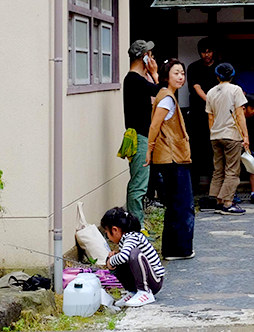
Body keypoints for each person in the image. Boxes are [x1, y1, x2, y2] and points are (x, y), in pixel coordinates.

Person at [146, 58, 196, 259]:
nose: (181, 77)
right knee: (182, 204)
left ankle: (173, 249)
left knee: (176, 204)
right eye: (176, 73)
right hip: (173, 157)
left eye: (182, 73)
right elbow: (154, 126)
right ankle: (179, 249)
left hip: (171, 157)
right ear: (167, 76)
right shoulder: (167, 98)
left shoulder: (165, 94)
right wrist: (149, 150)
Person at [122, 40, 161, 224]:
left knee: (139, 182)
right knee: (139, 185)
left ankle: (137, 224)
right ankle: (136, 227)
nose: (153, 59)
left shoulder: (135, 80)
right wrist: (155, 74)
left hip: (138, 136)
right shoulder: (134, 80)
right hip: (139, 137)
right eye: (150, 55)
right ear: (144, 57)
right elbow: (161, 92)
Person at [205, 62, 249, 214]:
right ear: (232, 75)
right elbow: (240, 115)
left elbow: (210, 117)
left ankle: (217, 201)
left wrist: (213, 132)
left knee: (218, 169)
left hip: (215, 135)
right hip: (231, 135)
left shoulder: (210, 92)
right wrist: (245, 135)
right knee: (232, 170)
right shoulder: (236, 90)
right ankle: (227, 202)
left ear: (217, 76)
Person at [101, 206, 164, 307]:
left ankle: (145, 292)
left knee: (134, 254)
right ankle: (133, 292)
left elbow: (124, 257)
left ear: (115, 229)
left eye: (107, 232)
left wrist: (110, 262)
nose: (107, 236)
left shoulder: (132, 237)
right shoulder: (125, 239)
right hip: (147, 279)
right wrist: (113, 257)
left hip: (154, 281)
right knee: (117, 258)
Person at [185, 38, 219, 194]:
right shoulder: (193, 67)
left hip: (217, 115)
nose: (207, 55)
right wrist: (210, 101)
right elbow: (196, 87)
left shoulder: (219, 67)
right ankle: (194, 187)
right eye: (204, 52)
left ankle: (215, 187)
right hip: (198, 115)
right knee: (196, 151)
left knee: (215, 151)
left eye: (209, 51)